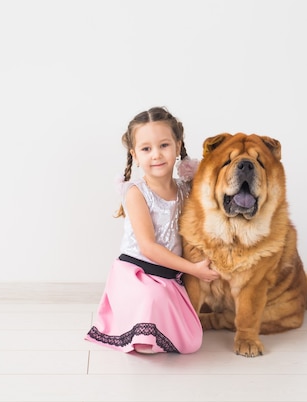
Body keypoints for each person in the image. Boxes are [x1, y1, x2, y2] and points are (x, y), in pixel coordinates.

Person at [85, 106, 219, 354]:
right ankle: (140, 329)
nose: (156, 155)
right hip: (137, 271)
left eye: (164, 145)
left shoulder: (185, 190)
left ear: (178, 147)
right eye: (146, 149)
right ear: (135, 155)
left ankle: (160, 329)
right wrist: (194, 270)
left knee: (192, 341)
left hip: (170, 275)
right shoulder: (137, 192)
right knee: (151, 298)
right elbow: (148, 247)